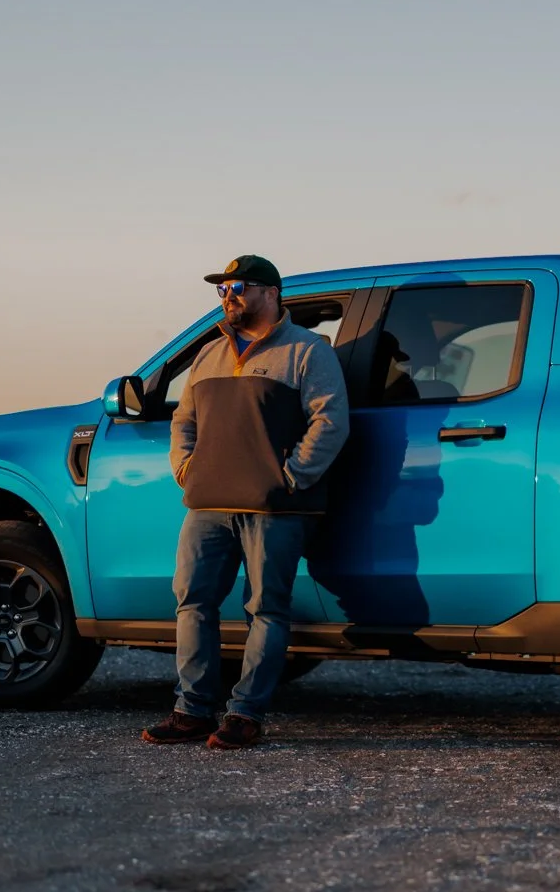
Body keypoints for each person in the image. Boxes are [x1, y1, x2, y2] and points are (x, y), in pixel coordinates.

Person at [142, 254, 349, 749]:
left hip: (275, 506)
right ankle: (191, 710)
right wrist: (186, 468)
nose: (229, 296)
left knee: (266, 609)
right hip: (208, 503)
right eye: (222, 289)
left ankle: (245, 715)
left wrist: (291, 476)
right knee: (192, 600)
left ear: (271, 292)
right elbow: (183, 420)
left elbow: (331, 420)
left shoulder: (308, 351)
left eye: (239, 286)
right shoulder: (209, 355)